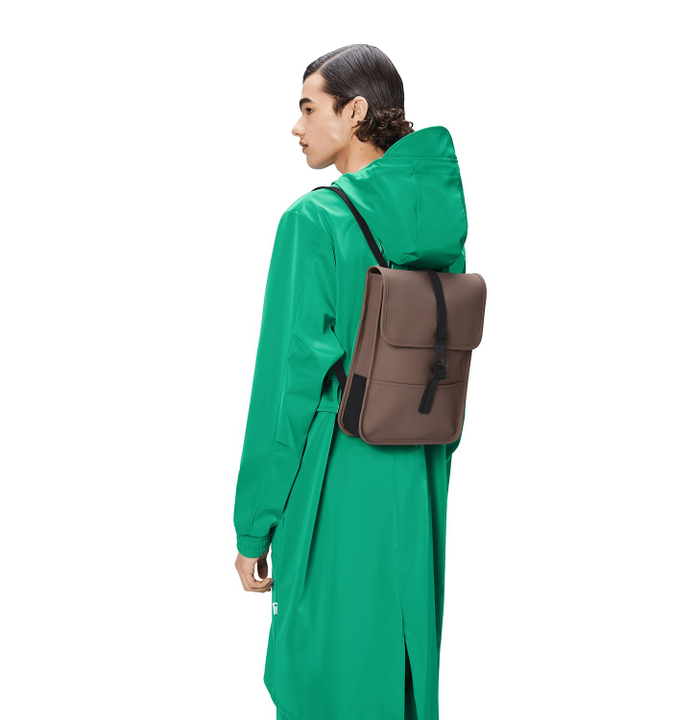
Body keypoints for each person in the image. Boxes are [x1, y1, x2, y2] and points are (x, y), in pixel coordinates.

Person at [233, 44, 468, 720]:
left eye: (310, 108)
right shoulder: (438, 222)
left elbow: (285, 388)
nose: (297, 126)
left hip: (338, 475)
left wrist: (253, 526)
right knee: (397, 673)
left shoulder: (313, 221)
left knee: (323, 678)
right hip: (419, 478)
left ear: (356, 111)